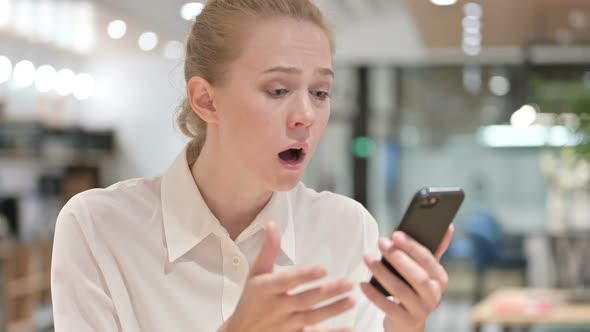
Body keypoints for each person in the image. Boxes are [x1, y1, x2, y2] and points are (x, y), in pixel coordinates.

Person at [50, 0, 453, 331]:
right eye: (278, 90)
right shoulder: (97, 227)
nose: (306, 116)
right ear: (206, 100)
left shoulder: (347, 227)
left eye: (320, 91)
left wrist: (404, 328)